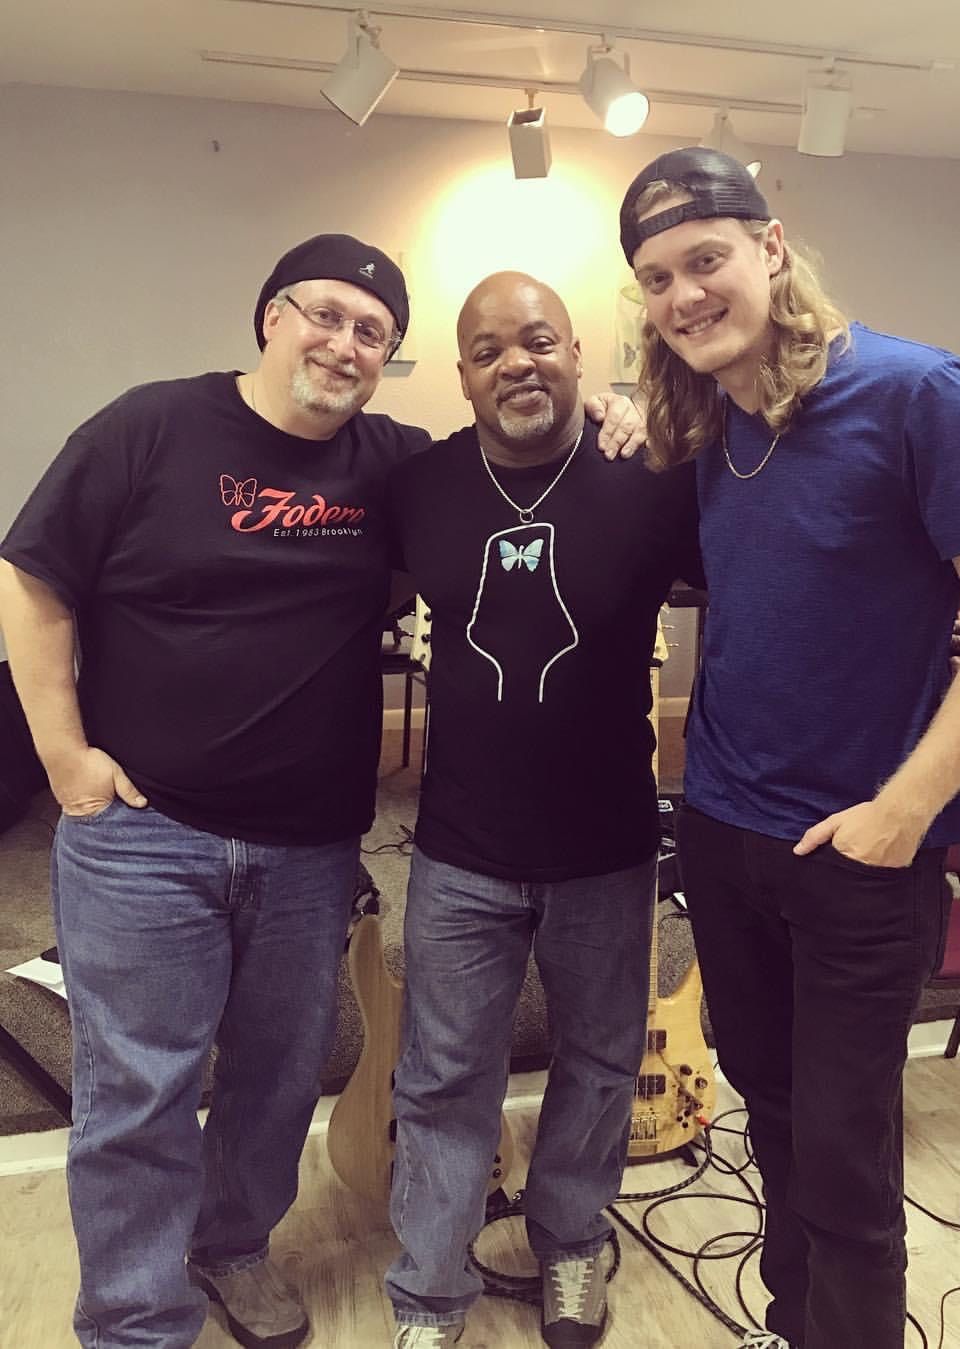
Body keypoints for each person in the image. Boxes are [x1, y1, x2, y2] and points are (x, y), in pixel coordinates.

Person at [0, 235, 643, 1349]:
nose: (345, 344)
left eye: (373, 333)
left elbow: (517, 452)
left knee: (279, 1077)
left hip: (308, 844)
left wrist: (614, 411)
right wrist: (63, 754)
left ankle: (233, 1246)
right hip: (146, 831)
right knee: (141, 1090)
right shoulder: (149, 426)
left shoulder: (393, 466)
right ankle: (135, 1318)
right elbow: (32, 577)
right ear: (272, 317)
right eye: (326, 315)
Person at [616, 147, 960, 1349]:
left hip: (861, 851)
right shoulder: (710, 423)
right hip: (725, 832)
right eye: (657, 278)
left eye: (705, 259)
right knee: (771, 1119)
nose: (685, 295)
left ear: (771, 247)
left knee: (846, 1164)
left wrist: (904, 810)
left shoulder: (918, 393)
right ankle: (794, 1322)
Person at [382, 271, 702, 1349]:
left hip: (608, 847)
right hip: (459, 849)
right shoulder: (418, 485)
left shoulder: (651, 477)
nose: (516, 362)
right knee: (441, 1076)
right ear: (462, 374)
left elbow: (765, 581)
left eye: (537, 341)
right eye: (488, 350)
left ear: (576, 352)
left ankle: (571, 1240)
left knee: (603, 1061)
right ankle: (429, 1292)